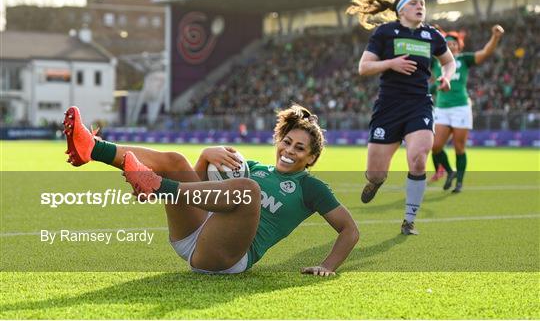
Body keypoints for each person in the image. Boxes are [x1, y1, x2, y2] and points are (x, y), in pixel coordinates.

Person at [62, 104, 359, 275]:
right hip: (194, 232)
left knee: (248, 191)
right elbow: (201, 188)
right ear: (278, 141)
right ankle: (93, 149)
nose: (289, 150)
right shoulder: (250, 166)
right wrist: (205, 155)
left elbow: (350, 230)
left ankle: (156, 186)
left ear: (311, 158)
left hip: (227, 258)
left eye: (300, 148)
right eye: (287, 142)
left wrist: (328, 266)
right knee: (175, 160)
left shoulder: (310, 187)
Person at [346, 0, 456, 235]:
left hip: (419, 104)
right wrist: (391, 63)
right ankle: (376, 182)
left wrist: (447, 77)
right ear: (400, 10)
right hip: (388, 106)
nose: (420, 7)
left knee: (418, 159)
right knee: (375, 173)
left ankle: (409, 220)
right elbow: (364, 67)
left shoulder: (432, 35)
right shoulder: (385, 33)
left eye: (422, 4)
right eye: (414, 3)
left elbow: (449, 61)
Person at [430, 25, 505, 193]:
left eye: (453, 43)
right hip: (441, 108)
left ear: (459, 45)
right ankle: (450, 172)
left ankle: (459, 183)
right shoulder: (435, 61)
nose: (450, 45)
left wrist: (495, 37)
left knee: (459, 147)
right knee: (435, 146)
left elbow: (485, 52)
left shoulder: (464, 59)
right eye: (447, 43)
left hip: (460, 107)